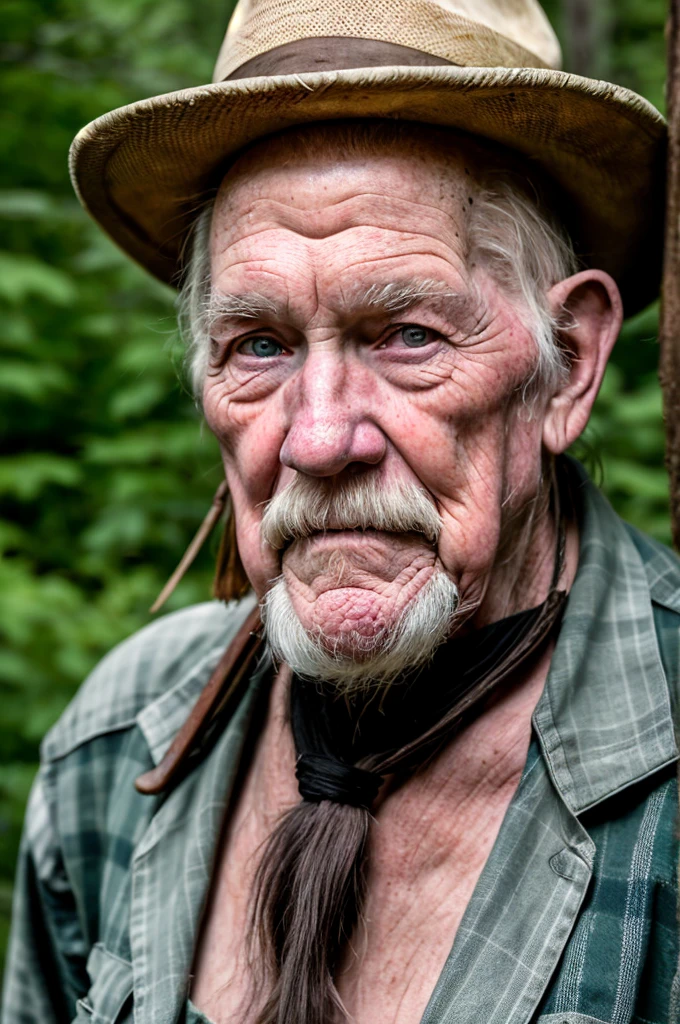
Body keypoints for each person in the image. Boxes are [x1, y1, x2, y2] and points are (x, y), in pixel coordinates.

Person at [3, 0, 678, 1022]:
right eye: (259, 346)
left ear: (568, 363)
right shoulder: (117, 745)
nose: (317, 440)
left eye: (405, 334)